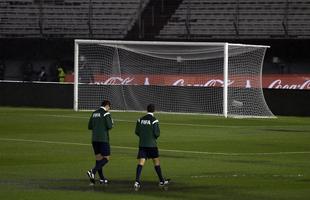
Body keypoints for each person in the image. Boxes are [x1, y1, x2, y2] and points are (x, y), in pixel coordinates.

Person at [134, 104, 170, 191]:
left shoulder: (140, 119)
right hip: (152, 145)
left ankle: (137, 181)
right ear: (154, 110)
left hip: (142, 144)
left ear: (147, 110)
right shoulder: (154, 120)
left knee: (141, 162)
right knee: (156, 161)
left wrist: (143, 137)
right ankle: (161, 180)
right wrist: (152, 138)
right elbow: (157, 133)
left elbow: (137, 131)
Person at [87, 100, 114, 185]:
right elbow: (109, 126)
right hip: (103, 139)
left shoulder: (94, 113)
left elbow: (89, 126)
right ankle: (92, 171)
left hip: (94, 139)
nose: (109, 109)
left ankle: (101, 178)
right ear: (107, 106)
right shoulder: (106, 113)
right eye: (109, 107)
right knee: (106, 158)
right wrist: (112, 123)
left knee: (99, 159)